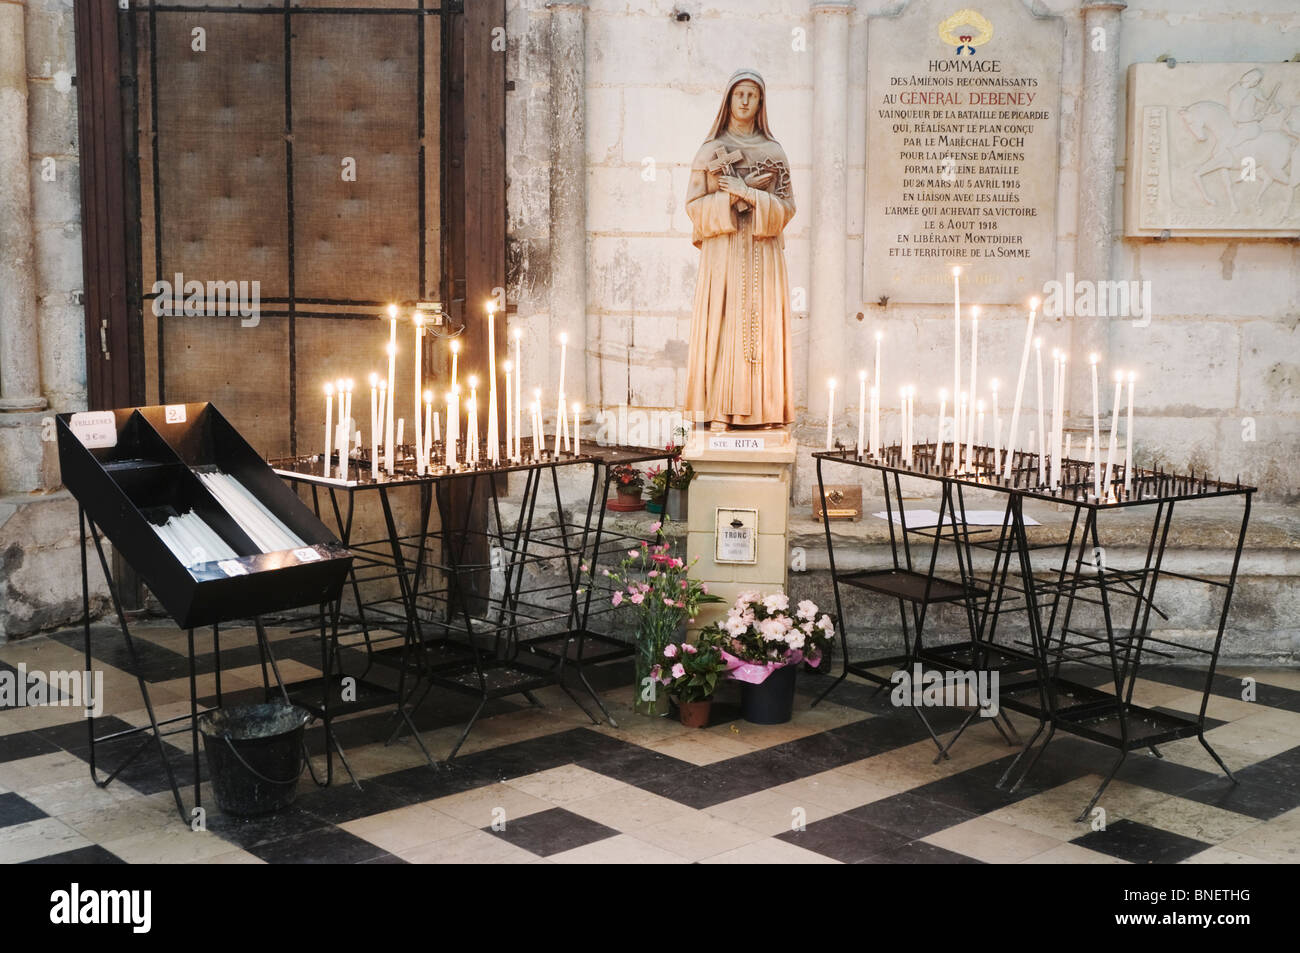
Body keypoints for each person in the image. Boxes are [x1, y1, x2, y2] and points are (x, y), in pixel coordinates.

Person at [684, 69, 796, 430]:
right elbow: (694, 208)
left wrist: (748, 193)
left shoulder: (774, 152)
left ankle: (765, 413)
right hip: (725, 252)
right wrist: (730, 199)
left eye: (752, 95)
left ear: (761, 102)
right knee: (725, 322)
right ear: (728, 100)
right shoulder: (711, 152)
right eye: (738, 94)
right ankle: (718, 412)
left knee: (759, 328)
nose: (745, 101)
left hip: (763, 251)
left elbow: (787, 210)